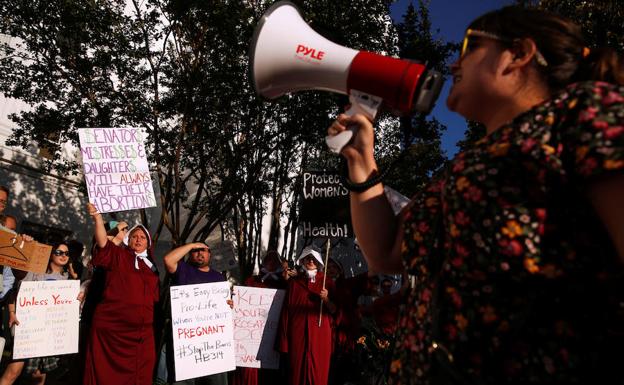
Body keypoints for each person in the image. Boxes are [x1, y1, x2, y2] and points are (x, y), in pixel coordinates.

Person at [327, 6, 624, 384]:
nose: (454, 63)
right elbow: (386, 252)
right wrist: (360, 159)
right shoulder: (464, 168)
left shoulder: (586, 113)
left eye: (470, 46)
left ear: (518, 54)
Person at [83, 203, 159, 385]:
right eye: (135, 236)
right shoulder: (117, 255)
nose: (138, 240)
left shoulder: (152, 269)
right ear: (128, 239)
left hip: (140, 336)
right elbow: (102, 242)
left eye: (142, 238)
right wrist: (98, 218)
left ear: (148, 244)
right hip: (112, 333)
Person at [0, 242, 75, 385]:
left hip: (49, 334)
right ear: (50, 254)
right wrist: (12, 312)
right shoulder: (35, 273)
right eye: (59, 252)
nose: (63, 256)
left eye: (66, 253)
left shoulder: (68, 280)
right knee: (13, 371)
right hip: (29, 330)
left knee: (39, 376)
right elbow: (16, 289)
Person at [162, 242, 230, 385]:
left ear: (209, 254)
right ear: (190, 254)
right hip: (186, 344)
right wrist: (191, 245)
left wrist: (229, 305)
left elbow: (223, 308)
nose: (199, 253)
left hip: (213, 345)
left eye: (203, 250)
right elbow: (168, 260)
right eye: (195, 251)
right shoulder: (183, 270)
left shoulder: (219, 278)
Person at [277, 246, 336, 385]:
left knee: (318, 374)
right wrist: (284, 342)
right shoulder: (295, 283)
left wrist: (326, 300)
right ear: (302, 260)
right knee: (296, 373)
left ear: (319, 261)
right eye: (308, 257)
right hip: (298, 336)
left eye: (314, 258)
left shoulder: (327, 282)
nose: (311, 260)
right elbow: (286, 311)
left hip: (319, 336)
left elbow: (335, 311)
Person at [232, 250, 287, 385]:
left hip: (272, 332)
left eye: (275, 261)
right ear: (263, 262)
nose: (271, 264)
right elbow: (243, 302)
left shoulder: (284, 283)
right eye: (268, 260)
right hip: (251, 333)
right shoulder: (253, 280)